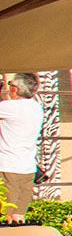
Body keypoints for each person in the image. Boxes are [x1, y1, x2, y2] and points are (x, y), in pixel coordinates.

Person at [0, 76, 39, 211]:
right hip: (27, 168)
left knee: (5, 213)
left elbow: (8, 109)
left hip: (8, 167)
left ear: (15, 89)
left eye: (10, 84)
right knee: (18, 215)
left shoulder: (9, 107)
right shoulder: (36, 107)